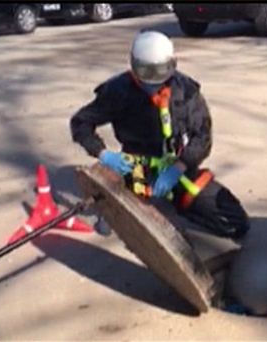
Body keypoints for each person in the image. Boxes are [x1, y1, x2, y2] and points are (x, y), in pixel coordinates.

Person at [70, 30, 249, 239]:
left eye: (161, 71)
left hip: (176, 167)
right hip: (133, 167)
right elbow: (81, 122)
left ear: (172, 64)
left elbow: (203, 135)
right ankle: (130, 204)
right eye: (146, 71)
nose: (153, 81)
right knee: (131, 226)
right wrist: (104, 154)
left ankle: (181, 204)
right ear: (134, 65)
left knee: (235, 223)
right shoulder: (118, 91)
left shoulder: (186, 90)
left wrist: (179, 167)